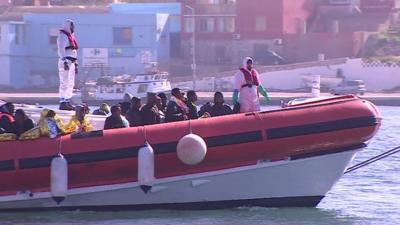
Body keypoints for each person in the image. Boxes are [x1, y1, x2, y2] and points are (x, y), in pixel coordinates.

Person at [58, 19, 79, 111]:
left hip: (72, 61)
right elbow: (61, 49)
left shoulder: (71, 37)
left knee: (71, 82)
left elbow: (74, 51)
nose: (73, 27)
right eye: (71, 25)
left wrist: (76, 64)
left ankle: (67, 100)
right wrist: (64, 61)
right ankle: (62, 101)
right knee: (64, 81)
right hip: (66, 60)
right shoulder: (63, 36)